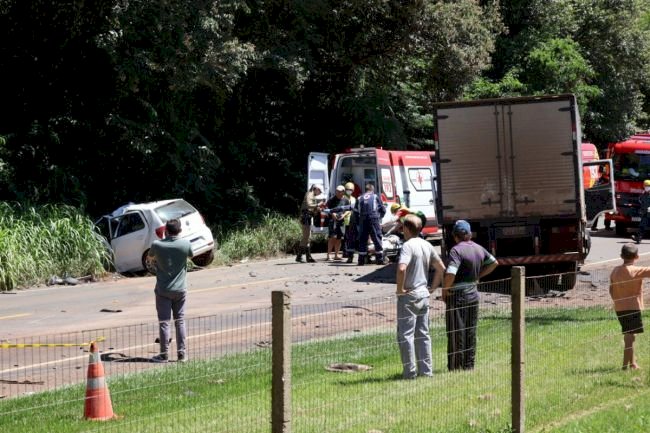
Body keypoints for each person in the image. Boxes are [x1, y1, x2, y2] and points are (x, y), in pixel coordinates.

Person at [443, 220, 498, 371]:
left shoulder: (456, 251)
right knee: (470, 330)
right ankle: (469, 365)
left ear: (455, 236)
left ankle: (455, 367)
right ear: (469, 234)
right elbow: (494, 263)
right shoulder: (479, 248)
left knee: (456, 332)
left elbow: (450, 273)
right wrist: (478, 276)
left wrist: (445, 290)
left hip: (457, 295)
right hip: (473, 294)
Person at [396, 214, 446, 379]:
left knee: (406, 335)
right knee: (423, 334)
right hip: (423, 294)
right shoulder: (427, 244)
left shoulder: (407, 246)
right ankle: (426, 371)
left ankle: (409, 373)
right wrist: (433, 287)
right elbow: (441, 268)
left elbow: (402, 268)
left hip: (409, 295)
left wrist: (400, 289)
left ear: (406, 228)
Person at [148, 219, 194, 363]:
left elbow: (150, 257)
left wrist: (163, 238)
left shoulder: (157, 245)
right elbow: (191, 255)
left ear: (166, 230)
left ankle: (164, 354)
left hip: (163, 289)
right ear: (179, 230)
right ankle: (181, 354)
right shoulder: (185, 244)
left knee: (164, 322)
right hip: (180, 289)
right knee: (180, 321)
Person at [609, 243, 649, 370]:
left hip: (619, 308)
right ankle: (625, 366)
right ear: (637, 256)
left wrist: (617, 300)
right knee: (629, 338)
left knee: (630, 335)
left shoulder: (615, 270)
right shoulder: (636, 271)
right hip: (632, 308)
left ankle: (632, 364)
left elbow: (611, 289)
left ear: (621, 256)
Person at [356, 183, 386, 265]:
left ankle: (361, 260)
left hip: (363, 219)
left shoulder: (359, 198)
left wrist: (359, 222)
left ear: (365, 190)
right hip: (373, 218)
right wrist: (380, 218)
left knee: (362, 239)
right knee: (376, 237)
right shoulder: (375, 196)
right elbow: (382, 209)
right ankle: (379, 259)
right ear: (372, 190)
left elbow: (356, 211)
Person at [297, 184, 324, 263]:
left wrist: (317, 209)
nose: (320, 193)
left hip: (308, 217)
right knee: (306, 236)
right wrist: (318, 205)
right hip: (305, 217)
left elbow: (311, 208)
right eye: (320, 191)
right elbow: (309, 205)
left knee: (307, 237)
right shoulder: (310, 194)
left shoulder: (311, 195)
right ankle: (300, 256)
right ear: (316, 189)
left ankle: (308, 257)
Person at [325, 185, 349, 260]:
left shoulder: (346, 200)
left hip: (341, 221)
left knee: (339, 238)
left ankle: (336, 255)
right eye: (337, 191)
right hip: (332, 221)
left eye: (339, 191)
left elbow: (349, 209)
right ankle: (328, 255)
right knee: (332, 237)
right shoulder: (331, 199)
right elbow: (326, 208)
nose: (338, 192)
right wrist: (332, 214)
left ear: (343, 192)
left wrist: (344, 215)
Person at [342, 182, 358, 263]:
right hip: (344, 219)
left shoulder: (354, 199)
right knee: (345, 237)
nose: (349, 191)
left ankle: (348, 252)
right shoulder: (343, 198)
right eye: (348, 189)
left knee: (349, 237)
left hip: (352, 220)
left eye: (351, 190)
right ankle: (345, 252)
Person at [632, 179, 650, 244]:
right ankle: (638, 238)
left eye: (647, 186)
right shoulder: (643, 193)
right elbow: (641, 201)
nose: (646, 187)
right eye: (645, 186)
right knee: (642, 225)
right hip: (645, 213)